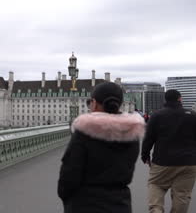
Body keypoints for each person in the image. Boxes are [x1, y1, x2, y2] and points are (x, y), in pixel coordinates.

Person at [58, 82, 146, 212]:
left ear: (94, 103)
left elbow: (69, 173)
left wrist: (67, 198)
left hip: (85, 204)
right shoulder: (131, 132)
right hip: (120, 203)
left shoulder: (84, 132)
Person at [141, 89, 196, 213]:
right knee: (182, 195)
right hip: (188, 162)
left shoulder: (157, 115)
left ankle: (156, 210)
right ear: (180, 99)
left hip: (163, 161)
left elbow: (149, 138)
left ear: (165, 100)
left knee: (156, 185)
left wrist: (145, 156)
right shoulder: (193, 115)